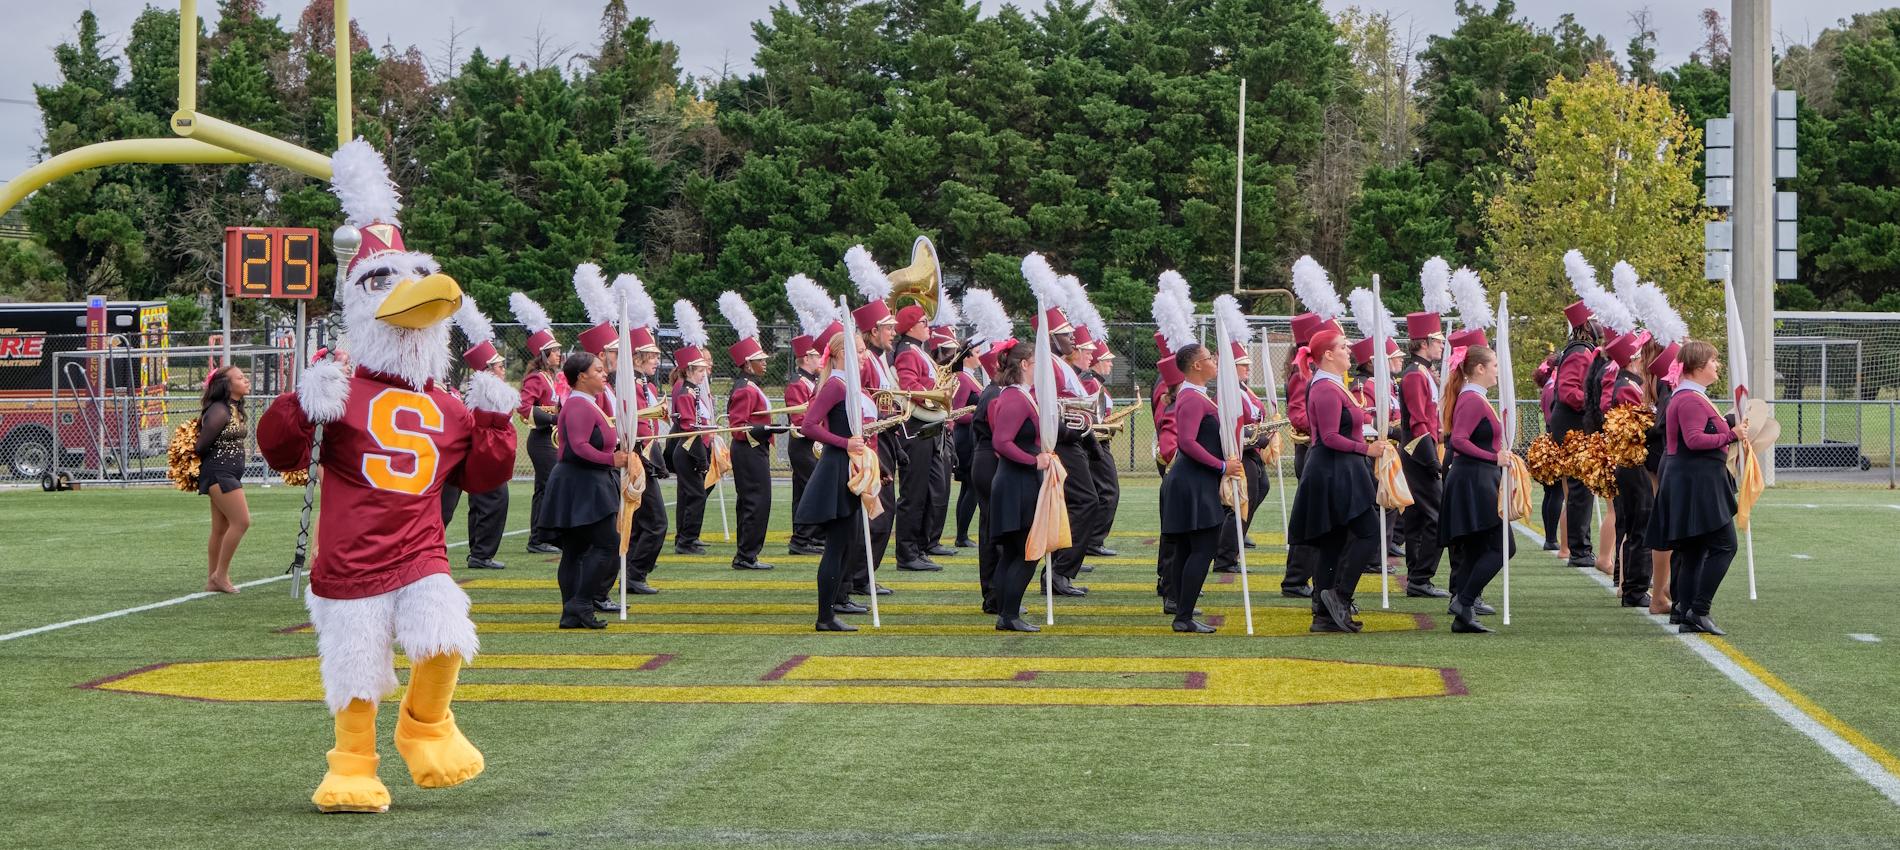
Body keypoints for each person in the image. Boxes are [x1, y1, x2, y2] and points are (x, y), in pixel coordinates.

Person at [1287, 326, 1384, 633]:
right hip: (1333, 470)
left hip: (1339, 468)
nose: (1349, 350)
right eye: (1343, 346)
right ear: (1327, 354)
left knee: (1333, 540)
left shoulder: (1332, 384)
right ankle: (1338, 596)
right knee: (1368, 533)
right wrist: (1366, 449)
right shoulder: (1326, 388)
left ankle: (1323, 614)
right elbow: (1328, 437)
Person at [1649, 341, 1742, 635]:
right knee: (1725, 545)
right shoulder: (1689, 398)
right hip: (1696, 481)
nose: (1717, 366)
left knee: (1694, 550)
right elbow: (1694, 439)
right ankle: (1699, 609)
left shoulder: (1690, 396)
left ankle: (1686, 612)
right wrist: (1731, 435)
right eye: (1714, 361)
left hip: (1691, 479)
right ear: (1699, 366)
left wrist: (1727, 428)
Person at [795, 322, 878, 631]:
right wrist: (845, 443)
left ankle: (830, 611)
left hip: (851, 468)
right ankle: (825, 616)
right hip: (836, 469)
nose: (865, 355)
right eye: (859, 351)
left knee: (846, 543)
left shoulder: (849, 384)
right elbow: (809, 426)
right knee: (837, 544)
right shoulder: (835, 385)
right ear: (842, 354)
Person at [541, 352, 630, 629]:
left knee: (576, 549)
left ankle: (572, 612)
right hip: (581, 483)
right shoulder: (579, 405)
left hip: (581, 482)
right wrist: (611, 459)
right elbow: (579, 446)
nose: (604, 375)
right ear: (582, 376)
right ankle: (579, 603)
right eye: (598, 370)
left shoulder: (586, 403)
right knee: (607, 544)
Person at [1157, 343, 1233, 633]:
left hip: (1196, 481)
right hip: (1192, 482)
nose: (1214, 361)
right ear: (1196, 366)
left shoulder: (1198, 396)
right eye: (1209, 358)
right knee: (1201, 547)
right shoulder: (1191, 397)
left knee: (1191, 549)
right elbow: (1187, 443)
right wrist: (1223, 466)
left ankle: (1182, 612)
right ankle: (1183, 614)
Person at [1439, 345, 1513, 633]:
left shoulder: (1475, 397)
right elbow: (1458, 440)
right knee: (1502, 545)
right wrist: (1494, 457)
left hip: (1477, 478)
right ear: (1479, 368)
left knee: (1476, 548)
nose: (1497, 370)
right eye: (1494, 364)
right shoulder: (1472, 398)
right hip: (1474, 479)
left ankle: (1464, 615)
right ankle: (1464, 600)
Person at [986, 341, 1053, 632]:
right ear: (1024, 364)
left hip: (1017, 482)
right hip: (1016, 483)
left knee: (1016, 552)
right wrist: (1033, 460)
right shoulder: (1014, 397)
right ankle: (1009, 614)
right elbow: (1001, 442)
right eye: (1036, 363)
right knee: (1028, 551)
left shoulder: (1022, 395)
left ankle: (1007, 612)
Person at [720, 292, 783, 572]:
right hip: (748, 449)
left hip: (753, 449)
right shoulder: (745, 387)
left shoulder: (750, 384)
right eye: (760, 359)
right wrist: (765, 429)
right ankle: (746, 554)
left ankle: (747, 553)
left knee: (753, 501)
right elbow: (737, 427)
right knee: (757, 501)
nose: (765, 362)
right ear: (747, 364)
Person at [1550, 300, 1606, 568]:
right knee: (1579, 488)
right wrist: (1595, 403)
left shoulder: (1584, 350)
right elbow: (1569, 391)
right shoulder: (1580, 351)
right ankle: (1579, 550)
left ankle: (1581, 546)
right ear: (1585, 324)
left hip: (1575, 422)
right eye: (1595, 319)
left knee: (1581, 488)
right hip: (1573, 424)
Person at [444, 352, 512, 570]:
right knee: (489, 500)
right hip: (477, 453)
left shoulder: (489, 392)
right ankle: (480, 554)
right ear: (489, 370)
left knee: (482, 502)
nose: (504, 370)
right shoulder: (483, 394)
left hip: (475, 452)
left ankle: (480, 553)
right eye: (500, 366)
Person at [891, 305, 946, 571]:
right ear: (911, 326)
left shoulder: (918, 351)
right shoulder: (907, 352)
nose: (929, 326)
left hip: (928, 425)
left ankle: (920, 547)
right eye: (924, 322)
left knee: (928, 491)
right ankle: (906, 553)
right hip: (915, 427)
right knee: (913, 494)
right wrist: (936, 393)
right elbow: (908, 386)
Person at [1045, 307, 1096, 596]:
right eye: (1066, 334)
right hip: (1064, 441)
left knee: (1083, 502)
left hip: (1073, 438)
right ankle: (1058, 571)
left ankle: (1060, 571)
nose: (1073, 339)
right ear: (1052, 337)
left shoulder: (1058, 363)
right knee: (1086, 501)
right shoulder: (1048, 363)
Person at [510, 294, 566, 555]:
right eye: (554, 351)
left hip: (553, 437)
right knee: (545, 487)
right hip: (542, 438)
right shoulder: (537, 377)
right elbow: (524, 406)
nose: (559, 354)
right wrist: (554, 415)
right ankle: (537, 539)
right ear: (544, 354)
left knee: (553, 487)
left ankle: (550, 535)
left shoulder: (553, 378)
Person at [1397, 312, 1448, 597]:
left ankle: (1417, 576)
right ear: (1425, 342)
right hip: (1418, 451)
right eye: (1438, 341)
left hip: (1417, 448)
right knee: (1439, 516)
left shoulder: (1422, 372)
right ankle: (1421, 576)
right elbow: (1418, 422)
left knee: (1417, 516)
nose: (1441, 346)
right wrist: (1432, 460)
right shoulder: (1415, 374)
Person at [1212, 342, 1270, 574]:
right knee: (1240, 506)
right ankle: (1225, 557)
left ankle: (1231, 546)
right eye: (1242, 364)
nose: (1248, 368)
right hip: (1242, 454)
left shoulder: (1244, 390)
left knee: (1257, 493)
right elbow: (1230, 427)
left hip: (1253, 454)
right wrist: (1256, 438)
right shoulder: (1226, 392)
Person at [1605, 331, 1654, 607]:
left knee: (1636, 526)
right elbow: (1637, 421)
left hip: (1630, 463)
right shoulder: (1626, 386)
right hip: (1631, 463)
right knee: (1639, 527)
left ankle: (1632, 587)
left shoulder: (1630, 383)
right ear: (1633, 360)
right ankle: (1634, 588)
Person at [196, 366, 252, 594]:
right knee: (242, 521)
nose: (246, 380)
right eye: (240, 377)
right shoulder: (220, 411)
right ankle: (221, 575)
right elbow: (200, 446)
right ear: (227, 386)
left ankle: (213, 579)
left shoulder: (233, 409)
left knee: (220, 528)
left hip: (227, 473)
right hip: (220, 474)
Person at [969, 344, 1009, 615]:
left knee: (990, 528)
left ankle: (994, 592)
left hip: (985, 459)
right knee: (995, 531)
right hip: (991, 460)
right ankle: (995, 593)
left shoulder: (994, 392)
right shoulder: (995, 394)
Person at [669, 343, 715, 555]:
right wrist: (700, 457)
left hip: (692, 447)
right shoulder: (686, 392)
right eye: (699, 371)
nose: (703, 375)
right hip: (688, 448)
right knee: (696, 495)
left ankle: (688, 537)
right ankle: (686, 541)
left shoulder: (692, 391)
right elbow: (690, 427)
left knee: (694, 495)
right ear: (688, 371)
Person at [1080, 340, 1122, 559]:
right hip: (1095, 442)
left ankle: (1092, 540)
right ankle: (1093, 540)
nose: (1111, 365)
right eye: (1107, 360)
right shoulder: (1089, 383)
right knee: (1108, 491)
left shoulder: (1095, 382)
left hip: (1099, 440)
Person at [784, 335, 825, 556]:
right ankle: (801, 539)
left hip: (811, 441)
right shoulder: (797, 383)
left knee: (805, 491)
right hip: (803, 443)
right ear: (807, 357)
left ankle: (811, 536)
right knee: (810, 490)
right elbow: (799, 418)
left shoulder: (810, 380)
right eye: (818, 355)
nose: (821, 359)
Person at [949, 342, 984, 549]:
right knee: (971, 487)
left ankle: (962, 534)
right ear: (967, 356)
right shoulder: (962, 378)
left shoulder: (969, 377)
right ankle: (962, 535)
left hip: (970, 435)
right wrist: (981, 416)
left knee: (968, 487)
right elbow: (957, 412)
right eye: (977, 353)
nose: (980, 357)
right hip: (965, 437)